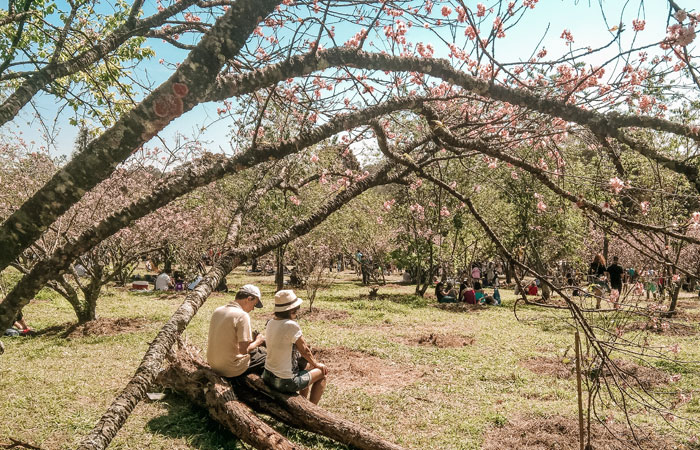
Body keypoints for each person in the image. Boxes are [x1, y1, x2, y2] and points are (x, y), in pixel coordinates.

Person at [263, 290, 328, 404]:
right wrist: (316, 364)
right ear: (292, 310)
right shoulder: (290, 325)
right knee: (322, 373)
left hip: (267, 375)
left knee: (306, 368)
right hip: (284, 381)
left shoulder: (271, 322)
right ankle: (312, 408)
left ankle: (303, 403)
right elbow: (304, 350)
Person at [207, 284, 266, 378]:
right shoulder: (242, 315)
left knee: (258, 353)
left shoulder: (218, 310)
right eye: (254, 304)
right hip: (229, 368)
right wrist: (258, 341)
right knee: (267, 359)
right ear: (249, 298)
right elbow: (244, 351)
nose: (253, 308)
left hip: (213, 364)